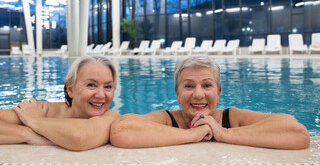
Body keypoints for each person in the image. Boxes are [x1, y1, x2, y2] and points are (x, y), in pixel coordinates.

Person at [110, 56, 310, 150]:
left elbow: (297, 133)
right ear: (177, 94)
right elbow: (121, 130)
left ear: (219, 92)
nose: (198, 95)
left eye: (207, 85)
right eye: (189, 86)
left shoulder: (232, 118)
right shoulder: (167, 118)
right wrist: (191, 134)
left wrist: (223, 133)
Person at [0, 55, 120, 151]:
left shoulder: (110, 118)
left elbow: (78, 137)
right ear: (70, 89)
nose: (101, 95)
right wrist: (28, 134)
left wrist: (35, 121)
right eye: (91, 85)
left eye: (108, 87)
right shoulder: (44, 109)